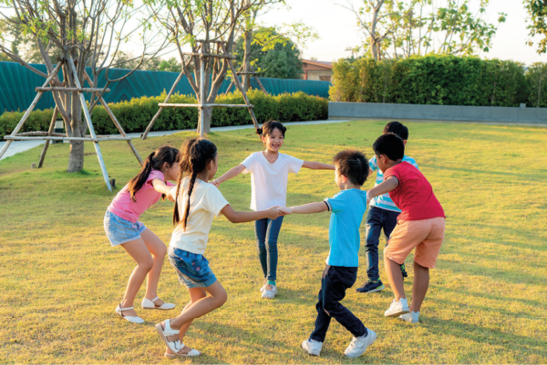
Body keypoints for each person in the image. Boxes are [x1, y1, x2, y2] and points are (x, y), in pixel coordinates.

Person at [155, 137, 282, 358]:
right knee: (219, 297)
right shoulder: (207, 190)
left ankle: (172, 346)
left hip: (176, 249)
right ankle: (171, 325)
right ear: (209, 164)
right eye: (216, 160)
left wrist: (155, 182)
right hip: (189, 253)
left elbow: (167, 190)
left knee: (197, 301)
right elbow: (233, 217)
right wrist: (267, 212)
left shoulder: (185, 183)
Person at [212, 120, 334, 299]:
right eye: (272, 137)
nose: (277, 141)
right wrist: (218, 181)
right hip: (259, 209)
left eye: (280, 137)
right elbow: (238, 169)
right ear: (263, 138)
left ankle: (271, 282)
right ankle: (266, 280)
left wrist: (334, 167)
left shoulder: (286, 160)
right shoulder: (255, 157)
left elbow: (312, 164)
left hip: (278, 209)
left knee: (271, 242)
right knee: (260, 245)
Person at [280, 149, 376, 359]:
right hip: (345, 262)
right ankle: (315, 341)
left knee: (330, 304)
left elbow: (320, 206)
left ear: (343, 178)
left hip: (339, 264)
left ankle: (362, 333)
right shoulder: (362, 196)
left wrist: (291, 209)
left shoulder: (344, 197)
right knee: (324, 300)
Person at [367, 134, 445, 324]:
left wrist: (371, 193)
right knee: (422, 265)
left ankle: (399, 301)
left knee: (390, 255)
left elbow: (394, 182)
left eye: (376, 159)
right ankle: (414, 313)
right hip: (438, 220)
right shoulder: (410, 167)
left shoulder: (392, 170)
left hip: (416, 219)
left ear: (382, 158)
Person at [104, 146, 180, 324]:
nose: (182, 169)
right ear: (166, 166)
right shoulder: (155, 176)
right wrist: (168, 191)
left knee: (159, 250)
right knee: (145, 262)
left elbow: (178, 188)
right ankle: (125, 306)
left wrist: (203, 186)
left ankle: (150, 297)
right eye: (179, 165)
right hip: (119, 220)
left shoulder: (161, 177)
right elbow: (159, 186)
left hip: (129, 220)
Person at [356, 121, 419, 294]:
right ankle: (373, 279)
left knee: (393, 245)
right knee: (370, 242)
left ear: (403, 143)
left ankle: (399, 266)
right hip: (375, 208)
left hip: (396, 212)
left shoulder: (409, 162)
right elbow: (364, 173)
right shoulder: (379, 157)